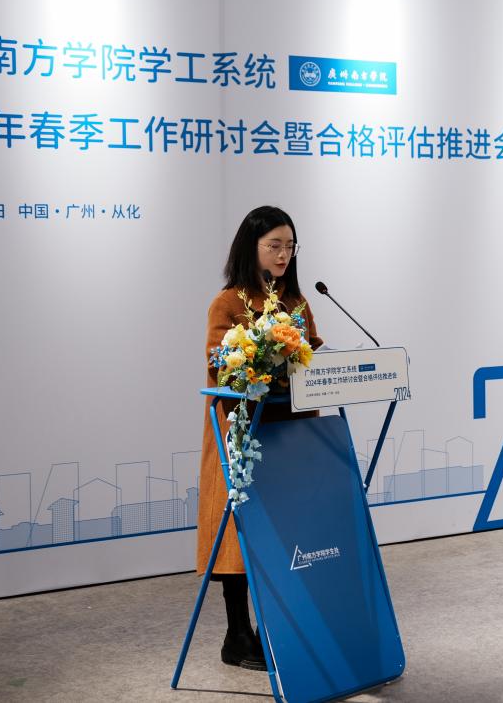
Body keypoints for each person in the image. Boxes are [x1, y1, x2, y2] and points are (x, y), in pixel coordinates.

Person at [196, 205, 323, 671]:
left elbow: (312, 356)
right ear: (251, 248)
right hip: (243, 434)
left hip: (290, 433)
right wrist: (264, 360)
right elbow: (222, 365)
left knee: (287, 536)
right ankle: (237, 635)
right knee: (240, 536)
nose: (284, 255)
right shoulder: (228, 302)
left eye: (290, 246)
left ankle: (282, 626)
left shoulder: (297, 302)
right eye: (274, 246)